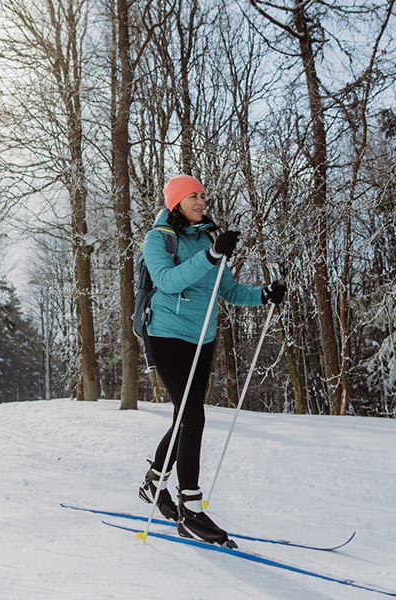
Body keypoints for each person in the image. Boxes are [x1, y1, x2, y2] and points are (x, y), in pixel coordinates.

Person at [137, 175, 287, 546]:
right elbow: (168, 281)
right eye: (193, 196)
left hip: (202, 337)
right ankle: (190, 511)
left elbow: (229, 290)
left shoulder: (206, 238)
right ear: (175, 201)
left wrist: (263, 295)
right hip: (167, 334)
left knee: (184, 417)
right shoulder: (158, 239)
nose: (201, 201)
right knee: (192, 415)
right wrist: (211, 256)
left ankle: (153, 483)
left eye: (203, 195)